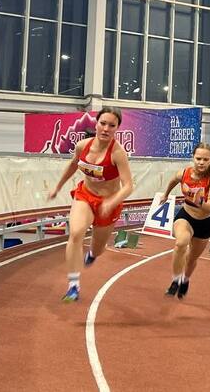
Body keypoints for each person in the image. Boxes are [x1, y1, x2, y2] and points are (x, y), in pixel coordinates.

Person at [47, 107, 133, 302]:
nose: (106, 129)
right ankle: (73, 285)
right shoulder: (82, 146)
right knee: (76, 233)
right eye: (103, 123)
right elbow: (73, 165)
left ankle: (93, 254)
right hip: (85, 196)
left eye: (111, 125)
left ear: (117, 128)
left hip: (108, 203)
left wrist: (112, 201)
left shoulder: (118, 154)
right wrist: (57, 187)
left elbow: (128, 186)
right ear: (96, 123)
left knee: (99, 248)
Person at [160, 142, 210, 299]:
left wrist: (195, 198)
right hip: (186, 216)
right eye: (198, 159)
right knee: (181, 243)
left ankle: (185, 279)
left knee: (191, 259)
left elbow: (209, 208)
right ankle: (176, 279)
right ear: (193, 157)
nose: (201, 162)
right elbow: (173, 180)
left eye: (205, 159)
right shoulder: (184, 173)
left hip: (204, 222)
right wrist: (166, 194)